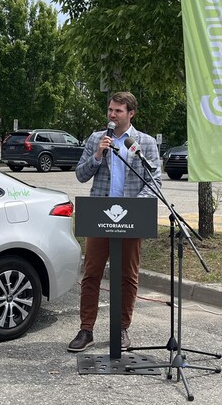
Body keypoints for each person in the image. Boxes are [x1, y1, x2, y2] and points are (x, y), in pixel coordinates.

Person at [67, 91, 162, 352]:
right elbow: (80, 175)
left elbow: (154, 182)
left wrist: (134, 207)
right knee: (92, 273)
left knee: (128, 276)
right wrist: (97, 156)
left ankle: (121, 329)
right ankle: (86, 330)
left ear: (130, 113)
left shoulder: (145, 142)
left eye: (118, 111)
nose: (112, 115)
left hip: (132, 216)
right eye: (110, 110)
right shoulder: (97, 139)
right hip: (99, 214)